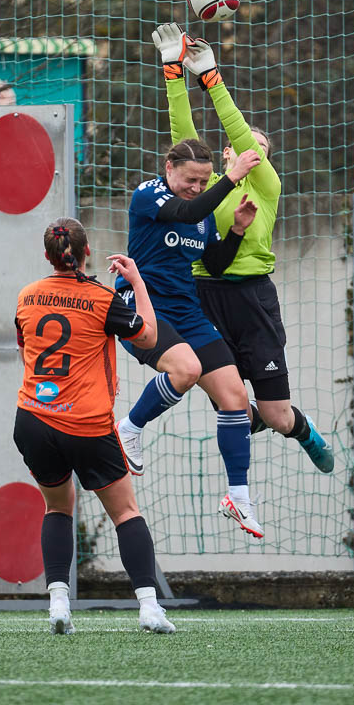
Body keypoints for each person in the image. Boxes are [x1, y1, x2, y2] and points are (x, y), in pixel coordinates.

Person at [152, 22, 334, 475]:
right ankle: (239, 486)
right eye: (244, 147)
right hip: (204, 297)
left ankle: (302, 430)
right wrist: (176, 72)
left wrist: (212, 78)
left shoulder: (266, 188)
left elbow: (243, 134)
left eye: (261, 150)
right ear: (227, 155)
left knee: (277, 416)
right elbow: (183, 135)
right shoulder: (208, 187)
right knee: (230, 404)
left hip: (254, 300)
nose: (254, 152)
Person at [110, 53, 266, 537]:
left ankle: (238, 498)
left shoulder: (202, 213)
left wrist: (235, 230)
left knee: (235, 397)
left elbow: (212, 263)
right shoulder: (150, 195)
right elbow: (186, 212)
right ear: (169, 168)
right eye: (190, 179)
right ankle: (129, 428)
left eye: (203, 180)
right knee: (186, 369)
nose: (196, 187)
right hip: (143, 308)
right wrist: (230, 177)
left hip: (187, 311)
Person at [14, 217, 173, 634]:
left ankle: (58, 604)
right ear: (86, 252)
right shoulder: (103, 298)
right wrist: (137, 282)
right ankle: (149, 607)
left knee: (57, 507)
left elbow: (26, 350)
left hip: (33, 419)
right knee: (126, 512)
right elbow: (149, 336)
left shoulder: (26, 296)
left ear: (47, 256)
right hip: (85, 423)